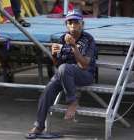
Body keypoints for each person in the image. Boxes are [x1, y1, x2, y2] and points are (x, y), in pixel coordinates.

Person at [26, 9, 97, 138]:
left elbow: (84, 65)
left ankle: (73, 101)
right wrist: (53, 54)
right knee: (47, 91)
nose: (73, 26)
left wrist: (74, 47)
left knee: (65, 68)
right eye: (70, 23)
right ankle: (39, 126)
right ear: (66, 25)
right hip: (65, 74)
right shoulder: (62, 38)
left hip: (85, 74)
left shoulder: (88, 39)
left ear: (82, 24)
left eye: (76, 23)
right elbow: (58, 65)